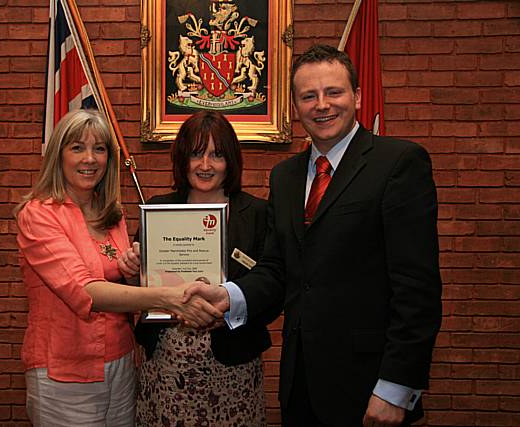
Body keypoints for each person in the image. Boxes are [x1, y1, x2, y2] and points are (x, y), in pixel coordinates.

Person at [185, 45, 443, 426]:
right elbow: (276, 268)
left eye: (333, 92)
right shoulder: (285, 177)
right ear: (295, 107)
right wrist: (227, 296)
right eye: (309, 96)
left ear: (356, 96)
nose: (322, 105)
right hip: (300, 385)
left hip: (370, 387)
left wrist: (395, 388)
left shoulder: (399, 164)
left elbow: (417, 287)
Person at [13, 109, 221, 426]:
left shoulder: (112, 213)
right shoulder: (39, 214)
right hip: (65, 372)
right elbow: (85, 290)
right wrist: (168, 296)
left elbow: (122, 280)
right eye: (77, 147)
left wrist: (135, 267)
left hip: (122, 363)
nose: (90, 159)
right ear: (59, 154)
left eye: (100, 149)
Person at [118, 110, 281, 426]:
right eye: (196, 154)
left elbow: (272, 290)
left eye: (217, 155)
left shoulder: (259, 213)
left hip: (234, 366)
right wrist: (131, 270)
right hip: (167, 364)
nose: (205, 165)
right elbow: (142, 290)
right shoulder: (158, 209)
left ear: (230, 161)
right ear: (182, 159)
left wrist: (228, 309)